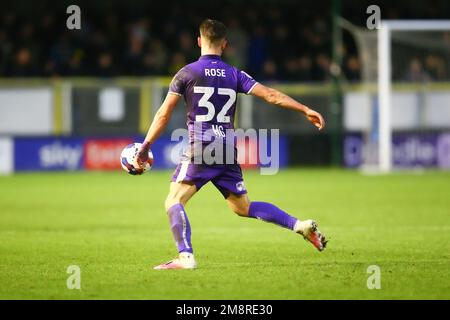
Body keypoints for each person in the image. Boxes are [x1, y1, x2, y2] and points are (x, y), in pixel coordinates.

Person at [135, 19, 327, 269]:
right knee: (242, 207)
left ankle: (185, 257)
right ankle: (299, 225)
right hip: (226, 147)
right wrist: (305, 109)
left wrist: (146, 145)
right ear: (224, 44)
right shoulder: (235, 74)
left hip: (202, 147)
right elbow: (270, 95)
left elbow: (163, 115)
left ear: (199, 41)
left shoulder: (187, 73)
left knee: (173, 201)